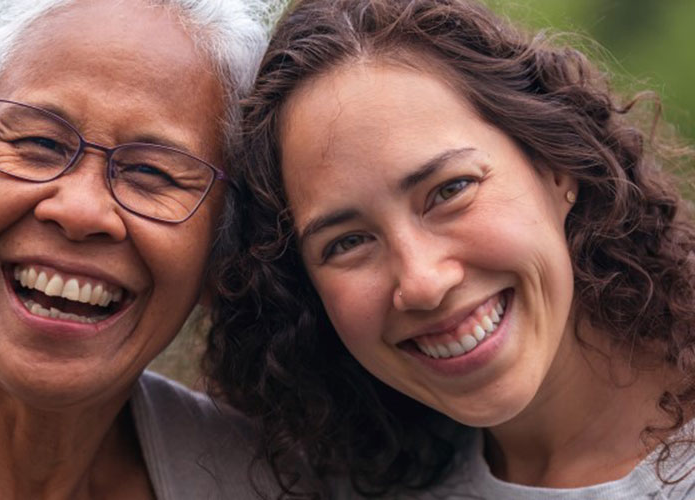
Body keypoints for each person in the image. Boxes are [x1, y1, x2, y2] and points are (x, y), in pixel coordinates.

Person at [204, 0, 695, 498]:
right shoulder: (347, 482)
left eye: (449, 191)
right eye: (348, 243)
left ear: (555, 164)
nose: (423, 282)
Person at [0, 0, 320, 498]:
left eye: (151, 173)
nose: (79, 212)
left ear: (218, 257)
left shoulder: (264, 484)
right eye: (39, 143)